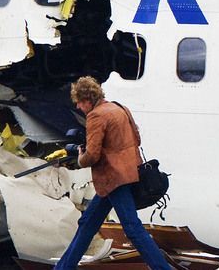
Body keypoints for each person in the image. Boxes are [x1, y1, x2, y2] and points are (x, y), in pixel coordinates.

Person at [54, 76, 171, 270]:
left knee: (133, 229)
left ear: (87, 100)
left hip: (114, 179)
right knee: (87, 223)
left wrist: (81, 156)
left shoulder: (96, 116)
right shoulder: (119, 108)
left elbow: (92, 156)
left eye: (79, 103)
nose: (78, 107)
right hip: (128, 174)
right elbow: (137, 139)